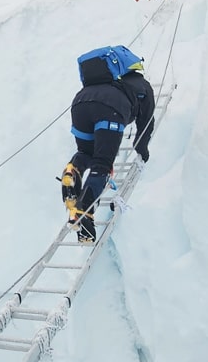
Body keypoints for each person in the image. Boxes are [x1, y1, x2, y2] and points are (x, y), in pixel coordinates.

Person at [61, 50, 155, 242]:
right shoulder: (142, 86)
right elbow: (146, 123)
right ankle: (84, 210)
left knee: (86, 152)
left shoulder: (111, 82)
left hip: (79, 104)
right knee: (103, 164)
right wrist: (142, 150)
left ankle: (73, 170)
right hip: (110, 108)